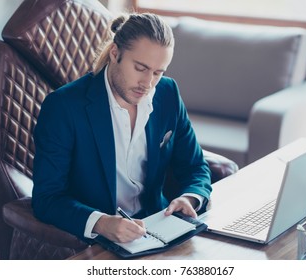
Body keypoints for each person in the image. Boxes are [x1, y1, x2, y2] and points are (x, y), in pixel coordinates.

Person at [32, 13, 211, 244]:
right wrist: (101, 222)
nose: (147, 84)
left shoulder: (167, 93)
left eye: (158, 73)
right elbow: (47, 198)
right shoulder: (63, 107)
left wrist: (190, 198)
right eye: (140, 68)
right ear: (115, 53)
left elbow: (195, 165)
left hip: (159, 230)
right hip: (99, 241)